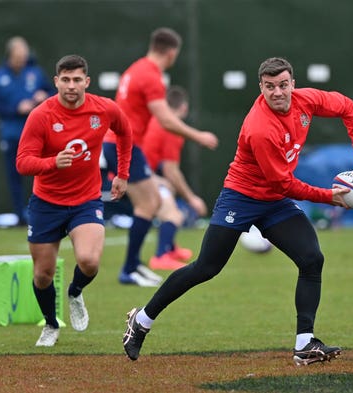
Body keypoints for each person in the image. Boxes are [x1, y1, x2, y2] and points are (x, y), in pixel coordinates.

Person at [122, 57, 353, 366]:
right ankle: (142, 320)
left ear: (293, 83)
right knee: (206, 268)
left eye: (283, 85)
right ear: (261, 88)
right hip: (241, 198)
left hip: (274, 202)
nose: (277, 92)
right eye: (269, 87)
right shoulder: (260, 127)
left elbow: (347, 106)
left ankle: (305, 344)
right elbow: (283, 183)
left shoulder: (306, 100)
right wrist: (328, 197)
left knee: (311, 258)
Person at [16, 55, 132, 346]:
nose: (71, 85)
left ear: (86, 82)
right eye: (65, 80)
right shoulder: (41, 115)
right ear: (56, 81)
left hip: (86, 200)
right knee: (42, 274)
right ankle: (51, 325)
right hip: (46, 202)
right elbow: (23, 162)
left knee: (90, 261)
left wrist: (123, 173)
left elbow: (125, 131)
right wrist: (53, 162)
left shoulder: (103, 109)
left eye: (77, 79)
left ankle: (75, 291)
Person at [103, 27, 218, 288]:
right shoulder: (151, 75)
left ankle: (134, 265)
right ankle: (129, 268)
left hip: (125, 145)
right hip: (124, 145)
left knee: (152, 201)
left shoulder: (135, 69)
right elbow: (166, 119)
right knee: (148, 204)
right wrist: (198, 136)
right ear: (171, 52)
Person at [0, 36, 55, 224]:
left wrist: (44, 96)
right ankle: (20, 215)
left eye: (24, 56)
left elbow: (52, 93)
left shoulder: (35, 72)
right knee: (14, 175)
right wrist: (16, 108)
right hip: (11, 133)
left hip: (37, 133)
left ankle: (43, 210)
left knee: (42, 171)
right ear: (10, 56)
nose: (22, 60)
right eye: (18, 56)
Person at [142, 86, 208, 270]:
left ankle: (171, 249)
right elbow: (171, 170)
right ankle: (161, 256)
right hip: (136, 175)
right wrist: (192, 198)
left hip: (137, 171)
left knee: (168, 197)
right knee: (173, 214)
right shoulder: (171, 127)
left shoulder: (157, 120)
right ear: (184, 107)